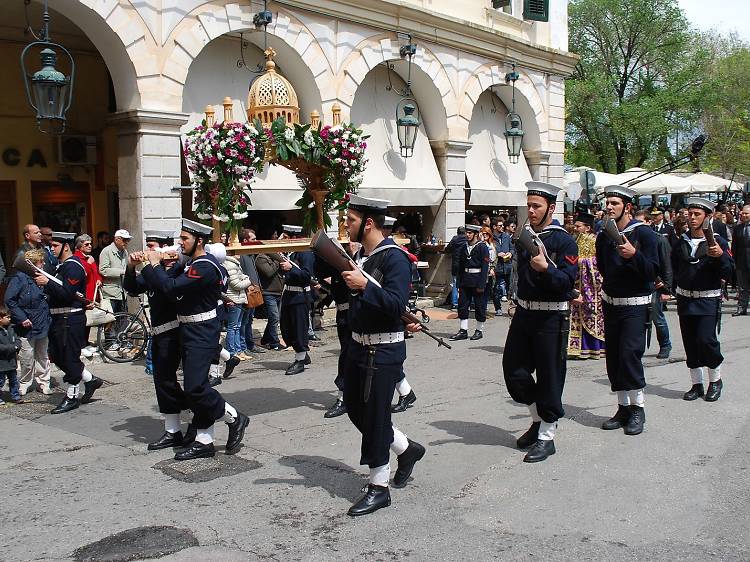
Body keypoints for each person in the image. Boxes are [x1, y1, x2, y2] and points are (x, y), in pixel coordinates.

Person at [340, 194, 426, 516]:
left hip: (383, 349)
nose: (346, 224)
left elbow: (395, 304)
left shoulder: (395, 259)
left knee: (376, 417)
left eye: (350, 220)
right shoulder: (361, 255)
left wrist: (364, 286)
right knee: (355, 409)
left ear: (369, 223)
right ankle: (406, 448)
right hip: (358, 345)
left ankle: (379, 486)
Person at [142, 219, 249, 460]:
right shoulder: (193, 263)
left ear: (199, 241)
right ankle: (204, 440)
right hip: (189, 328)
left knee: (196, 387)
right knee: (195, 388)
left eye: (185, 239)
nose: (180, 243)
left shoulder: (205, 266)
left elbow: (171, 287)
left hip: (202, 329)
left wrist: (155, 265)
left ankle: (234, 417)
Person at [502, 182, 578, 463]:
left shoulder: (564, 241)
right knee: (514, 371)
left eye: (537, 206)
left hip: (552, 316)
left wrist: (547, 269)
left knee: (550, 375)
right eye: (529, 205)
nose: (531, 211)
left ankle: (547, 435)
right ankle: (538, 419)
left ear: (551, 208)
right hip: (524, 313)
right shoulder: (525, 236)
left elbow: (568, 282)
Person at [595, 185, 659, 436]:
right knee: (614, 358)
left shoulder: (645, 235)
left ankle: (637, 409)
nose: (609, 207)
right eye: (607, 203)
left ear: (627, 207)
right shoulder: (603, 235)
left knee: (630, 354)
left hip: (636, 305)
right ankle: (622, 407)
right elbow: (602, 266)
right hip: (612, 303)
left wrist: (634, 255)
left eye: (614, 203)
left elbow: (653, 271)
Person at [123, 230, 191, 450]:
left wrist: (152, 266)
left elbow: (166, 287)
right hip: (159, 331)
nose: (147, 251)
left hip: (175, 331)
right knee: (163, 380)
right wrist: (131, 267)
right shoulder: (155, 270)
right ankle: (174, 429)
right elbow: (132, 288)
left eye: (151, 246)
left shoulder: (178, 268)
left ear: (164, 249)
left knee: (171, 381)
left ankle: (194, 416)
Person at [672, 198, 733, 403]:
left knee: (706, 340)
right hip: (685, 299)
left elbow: (729, 271)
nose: (692, 218)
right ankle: (696, 384)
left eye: (697, 214)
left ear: (708, 217)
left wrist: (720, 256)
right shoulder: (681, 241)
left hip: (707, 299)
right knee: (690, 342)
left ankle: (715, 381)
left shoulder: (718, 241)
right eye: (690, 214)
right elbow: (674, 266)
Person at [35, 232, 103, 414]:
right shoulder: (62, 266)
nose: (52, 249)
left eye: (55, 246)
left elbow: (67, 293)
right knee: (57, 356)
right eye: (51, 246)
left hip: (70, 318)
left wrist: (47, 283)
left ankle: (72, 396)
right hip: (59, 317)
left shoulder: (74, 267)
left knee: (69, 357)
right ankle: (89, 380)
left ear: (66, 246)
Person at [4, 249, 52, 395]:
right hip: (26, 324)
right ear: (32, 264)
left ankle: (44, 382)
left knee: (43, 355)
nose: (43, 264)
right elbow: (9, 300)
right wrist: (22, 317)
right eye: (40, 262)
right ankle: (25, 382)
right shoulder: (19, 278)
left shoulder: (42, 277)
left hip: (42, 321)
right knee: (27, 356)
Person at [567, 212, 605, 360]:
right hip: (579, 284)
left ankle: (594, 348)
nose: (575, 228)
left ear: (588, 228)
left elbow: (597, 262)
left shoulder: (595, 240)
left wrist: (580, 262)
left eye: (578, 226)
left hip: (592, 287)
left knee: (592, 314)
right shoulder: (577, 240)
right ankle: (577, 349)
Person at [279, 225, 315, 376]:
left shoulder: (305, 253)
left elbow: (307, 276)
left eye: (286, 237)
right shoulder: (290, 253)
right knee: (287, 330)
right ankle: (302, 354)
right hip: (288, 295)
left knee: (299, 329)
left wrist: (290, 268)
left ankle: (300, 359)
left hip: (299, 297)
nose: (283, 240)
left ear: (294, 238)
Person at [450, 224, 489, 341]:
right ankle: (463, 330)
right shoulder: (463, 247)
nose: (467, 235)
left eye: (470, 233)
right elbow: (460, 265)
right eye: (467, 232)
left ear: (476, 234)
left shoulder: (482, 247)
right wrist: (459, 283)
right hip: (465, 280)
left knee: (479, 306)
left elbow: (485, 267)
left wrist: (482, 284)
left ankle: (479, 330)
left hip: (477, 279)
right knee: (462, 305)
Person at [74, 234, 103, 358]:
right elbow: (81, 272)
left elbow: (96, 272)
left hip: (92, 292)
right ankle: (80, 345)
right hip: (83, 293)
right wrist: (89, 263)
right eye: (86, 244)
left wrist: (99, 279)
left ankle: (85, 342)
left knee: (89, 320)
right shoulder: (77, 258)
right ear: (80, 246)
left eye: (90, 244)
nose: (90, 246)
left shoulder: (90, 258)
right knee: (82, 321)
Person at [238, 229, 265, 359]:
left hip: (254, 292)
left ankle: (250, 344)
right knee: (243, 322)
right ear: (245, 241)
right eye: (252, 239)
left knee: (248, 320)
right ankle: (243, 346)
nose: (255, 241)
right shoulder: (242, 255)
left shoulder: (250, 254)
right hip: (246, 293)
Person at [223, 250, 252, 362]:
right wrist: (248, 281)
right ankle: (232, 351)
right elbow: (236, 284)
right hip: (234, 298)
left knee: (237, 325)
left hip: (238, 298)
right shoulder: (230, 265)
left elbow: (241, 277)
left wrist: (244, 278)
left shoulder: (234, 264)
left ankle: (239, 350)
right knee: (233, 326)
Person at [256, 251, 285, 350]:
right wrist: (278, 261)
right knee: (274, 317)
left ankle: (265, 339)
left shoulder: (274, 258)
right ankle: (274, 342)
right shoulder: (261, 258)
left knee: (275, 318)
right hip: (268, 292)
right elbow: (269, 272)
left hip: (278, 292)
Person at [0, 305, 22, 404]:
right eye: (7, 317)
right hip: (1, 363)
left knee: (13, 380)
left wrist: (17, 346)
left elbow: (17, 340)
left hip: (11, 361)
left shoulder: (11, 328)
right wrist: (12, 348)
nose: (10, 319)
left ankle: (16, 396)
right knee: (1, 381)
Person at [731, 205, 750, 316]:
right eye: (742, 213)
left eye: (746, 213)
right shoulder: (737, 228)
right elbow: (734, 246)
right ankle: (741, 308)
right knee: (742, 288)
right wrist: (734, 260)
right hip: (741, 262)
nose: (744, 215)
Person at [493, 220, 514, 315]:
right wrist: (497, 254)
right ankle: (498, 308)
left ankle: (512, 307)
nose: (502, 227)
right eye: (500, 225)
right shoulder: (491, 238)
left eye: (502, 225)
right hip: (497, 267)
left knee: (511, 288)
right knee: (496, 288)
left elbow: (512, 248)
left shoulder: (506, 237)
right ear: (494, 227)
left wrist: (510, 253)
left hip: (508, 266)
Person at [444, 226, 467, 310]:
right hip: (465, 265)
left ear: (457, 232)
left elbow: (448, 249)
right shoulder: (467, 239)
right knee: (465, 284)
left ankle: (454, 303)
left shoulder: (455, 239)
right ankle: (466, 302)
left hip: (456, 264)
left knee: (455, 284)